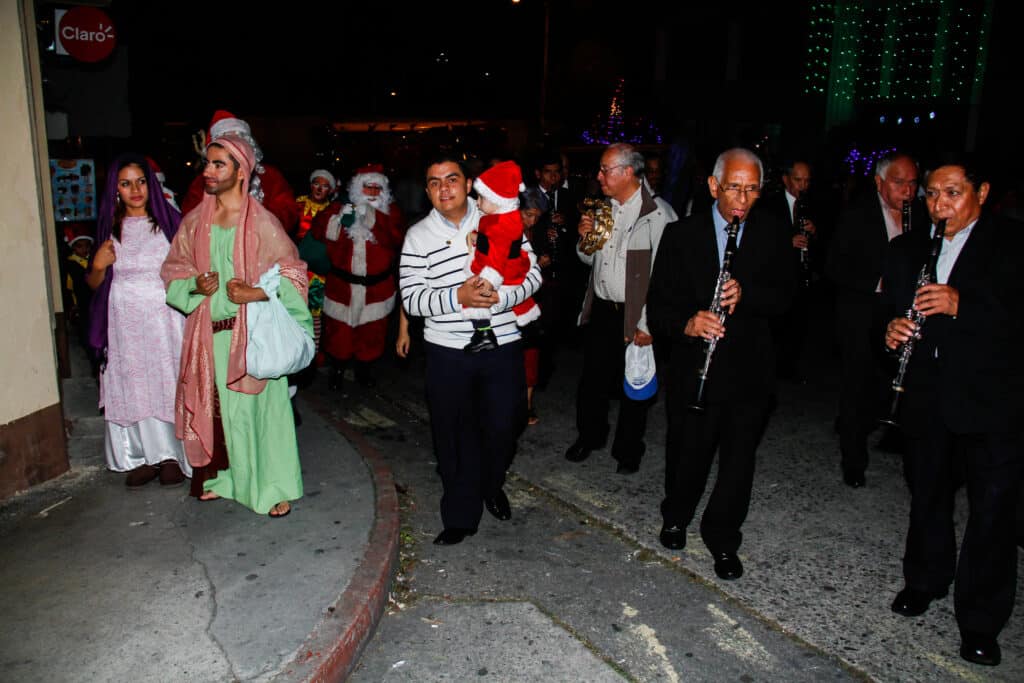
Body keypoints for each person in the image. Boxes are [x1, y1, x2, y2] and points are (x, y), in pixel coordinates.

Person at [882, 158, 1023, 667]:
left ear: (982, 191)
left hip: (993, 402)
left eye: (953, 193)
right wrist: (891, 331)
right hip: (928, 395)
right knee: (928, 498)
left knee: (991, 515)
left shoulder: (1011, 245)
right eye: (932, 194)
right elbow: (892, 311)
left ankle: (981, 622)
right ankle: (924, 580)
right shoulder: (907, 249)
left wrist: (964, 305)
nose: (940, 205)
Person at [647, 148, 795, 580]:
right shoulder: (681, 234)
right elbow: (658, 307)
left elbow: (788, 299)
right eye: (734, 187)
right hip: (695, 366)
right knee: (687, 451)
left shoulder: (771, 232)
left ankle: (723, 537)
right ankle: (676, 515)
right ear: (714, 186)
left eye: (751, 189)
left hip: (750, 371)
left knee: (738, 461)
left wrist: (748, 296)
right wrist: (688, 323)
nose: (742, 199)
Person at [161, 134, 311, 518]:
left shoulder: (263, 223)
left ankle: (273, 486)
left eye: (218, 164)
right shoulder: (195, 222)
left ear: (241, 171)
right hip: (208, 339)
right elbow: (173, 271)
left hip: (252, 338)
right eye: (207, 164)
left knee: (260, 417)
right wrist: (195, 286)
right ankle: (226, 480)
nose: (207, 171)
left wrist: (257, 294)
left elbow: (293, 275)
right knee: (221, 418)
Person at [399, 154, 541, 545]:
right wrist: (456, 296)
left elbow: (534, 274)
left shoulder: (502, 216)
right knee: (454, 434)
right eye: (434, 182)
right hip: (448, 350)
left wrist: (500, 296)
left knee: (506, 424)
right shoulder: (417, 236)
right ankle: (461, 515)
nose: (444, 188)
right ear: (427, 191)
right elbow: (412, 299)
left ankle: (491, 484)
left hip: (502, 343)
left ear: (467, 183)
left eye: (451, 178)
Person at [563, 143, 670, 475]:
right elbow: (588, 258)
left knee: (634, 386)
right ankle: (589, 437)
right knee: (592, 381)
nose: (599, 176)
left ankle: (628, 449)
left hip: (635, 314)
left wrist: (648, 325)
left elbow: (667, 277)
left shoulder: (659, 215)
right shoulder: (604, 209)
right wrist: (584, 240)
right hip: (603, 311)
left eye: (605, 169)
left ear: (627, 172)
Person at [85, 153, 190, 488]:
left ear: (150, 185)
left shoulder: (169, 222)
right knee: (133, 382)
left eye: (141, 182)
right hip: (124, 319)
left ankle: (172, 455)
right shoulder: (110, 227)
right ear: (115, 189)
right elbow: (93, 285)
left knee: (165, 378)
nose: (135, 189)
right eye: (126, 183)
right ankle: (142, 456)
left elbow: (188, 268)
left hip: (164, 317)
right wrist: (99, 266)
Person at [826, 151, 927, 487]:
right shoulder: (856, 214)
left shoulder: (924, 216)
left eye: (913, 183)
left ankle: (894, 435)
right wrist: (880, 281)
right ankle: (853, 460)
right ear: (879, 182)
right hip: (862, 317)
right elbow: (834, 267)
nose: (908, 191)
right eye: (899, 183)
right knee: (857, 387)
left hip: (904, 317)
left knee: (897, 384)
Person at [311, 164, 404, 390]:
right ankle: (338, 370)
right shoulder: (339, 207)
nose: (372, 193)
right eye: (367, 187)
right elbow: (318, 230)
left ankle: (364, 370)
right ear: (356, 188)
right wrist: (338, 220)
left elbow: (396, 237)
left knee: (371, 334)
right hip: (342, 286)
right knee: (338, 334)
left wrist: (371, 216)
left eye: (376, 188)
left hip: (376, 289)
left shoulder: (391, 213)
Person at [462, 160, 540, 353]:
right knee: (521, 303)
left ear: (498, 200)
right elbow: (494, 242)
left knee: (474, 298)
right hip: (513, 267)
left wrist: (487, 281)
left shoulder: (500, 224)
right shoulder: (503, 218)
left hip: (503, 271)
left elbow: (497, 255)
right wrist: (478, 238)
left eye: (482, 198)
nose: (478, 202)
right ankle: (530, 328)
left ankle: (484, 333)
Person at [181, 110, 299, 231]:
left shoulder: (271, 176)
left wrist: (260, 220)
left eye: (238, 141)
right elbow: (189, 219)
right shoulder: (203, 181)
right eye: (226, 144)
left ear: (249, 145)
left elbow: (289, 211)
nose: (234, 148)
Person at [766, 159, 817, 382]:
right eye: (798, 180)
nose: (803, 186)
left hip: (803, 276)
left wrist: (814, 234)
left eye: (807, 180)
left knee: (799, 326)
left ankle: (792, 367)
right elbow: (763, 240)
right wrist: (788, 242)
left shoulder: (813, 205)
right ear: (786, 179)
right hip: (778, 277)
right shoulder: (770, 205)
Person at [518, 187, 550, 424]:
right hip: (509, 305)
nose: (532, 221)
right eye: (528, 214)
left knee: (531, 354)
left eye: (537, 216)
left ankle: (527, 404)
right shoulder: (503, 231)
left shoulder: (537, 233)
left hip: (532, 304)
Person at [63, 224, 94, 348]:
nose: (84, 249)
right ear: (73, 247)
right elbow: (68, 288)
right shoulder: (70, 264)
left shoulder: (93, 260)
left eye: (87, 245)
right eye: (79, 246)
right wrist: (72, 306)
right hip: (82, 304)